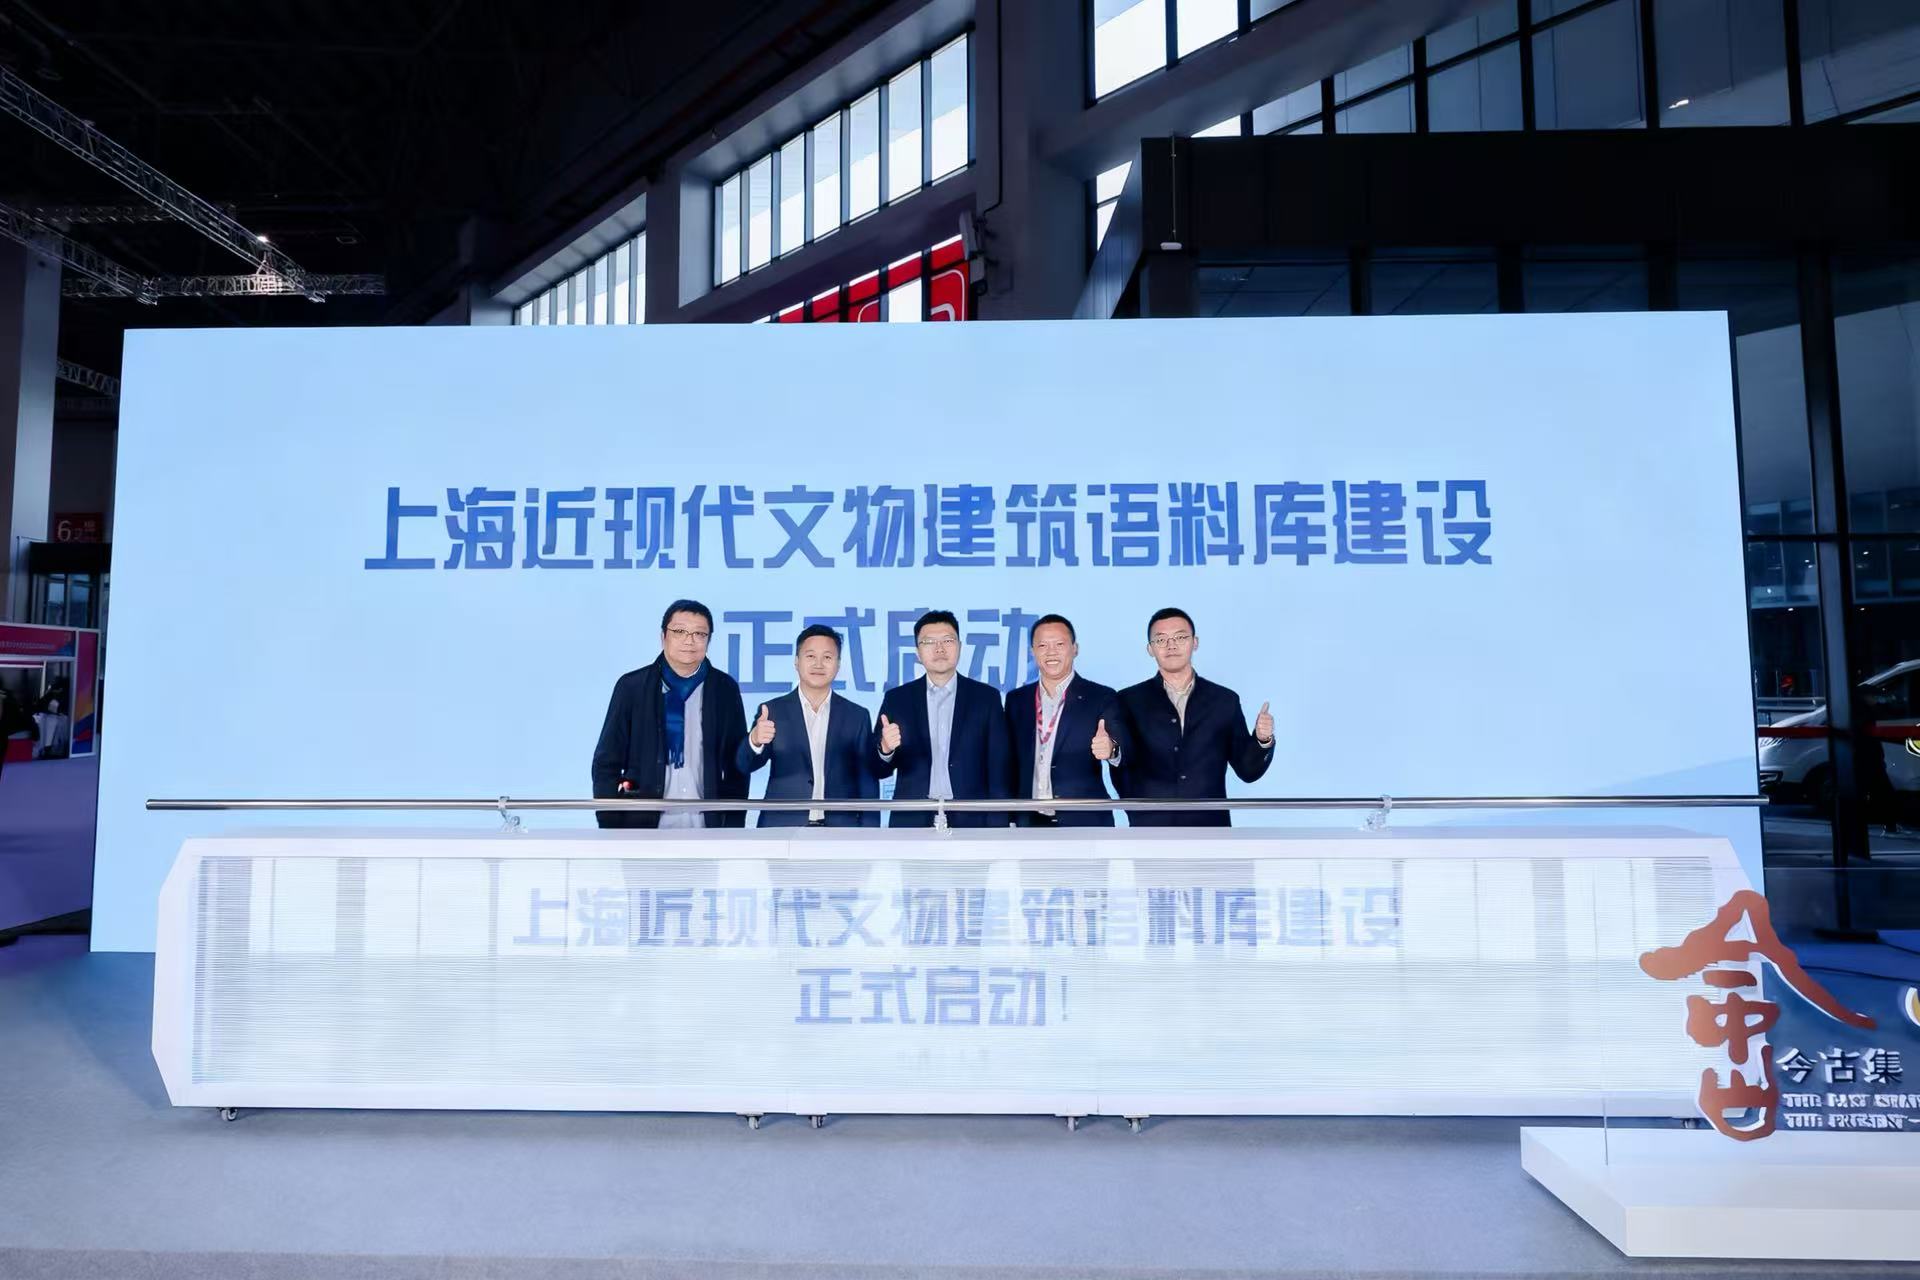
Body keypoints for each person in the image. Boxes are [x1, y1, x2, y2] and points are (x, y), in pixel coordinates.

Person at [591, 599, 749, 829]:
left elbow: (738, 765)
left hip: (708, 827)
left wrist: (733, 824)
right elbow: (606, 763)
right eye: (680, 631)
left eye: (699, 634)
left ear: (708, 641)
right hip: (642, 828)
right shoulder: (632, 687)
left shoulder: (724, 688)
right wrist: (611, 825)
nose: (689, 640)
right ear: (663, 636)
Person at [1116, 607, 1274, 827]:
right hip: (1150, 825)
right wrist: (1136, 807)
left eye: (1180, 637)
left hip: (1210, 825)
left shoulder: (1224, 700)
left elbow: (1247, 770)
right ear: (1150, 649)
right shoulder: (1128, 701)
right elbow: (1121, 765)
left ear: (1195, 642)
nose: (1171, 645)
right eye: (1161, 639)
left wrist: (1262, 740)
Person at [871, 609, 1010, 827]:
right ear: (918, 652)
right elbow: (878, 770)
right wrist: (886, 749)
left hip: (972, 819)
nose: (939, 649)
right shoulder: (897, 699)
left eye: (947, 640)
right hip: (912, 819)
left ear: (960, 646)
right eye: (928, 642)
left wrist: (998, 825)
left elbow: (999, 768)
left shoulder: (986, 698)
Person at [738, 624, 879, 828]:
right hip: (782, 826)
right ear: (797, 662)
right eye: (810, 656)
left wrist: (870, 831)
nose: (818, 664)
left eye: (827, 657)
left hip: (841, 829)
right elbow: (744, 765)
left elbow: (867, 781)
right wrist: (755, 740)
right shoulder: (772, 711)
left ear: (838, 664)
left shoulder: (857, 716)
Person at [1005, 613, 1131, 827]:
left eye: (1059, 644)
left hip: (1084, 820)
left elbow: (1126, 750)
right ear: (1032, 652)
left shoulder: (1101, 696)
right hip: (1029, 820)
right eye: (1042, 645)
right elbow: (1009, 761)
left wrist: (1112, 750)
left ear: (1075, 648)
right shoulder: (1017, 700)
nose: (1051, 652)